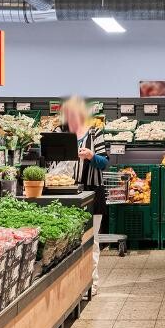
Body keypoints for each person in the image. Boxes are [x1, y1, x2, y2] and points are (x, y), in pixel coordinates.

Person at [57, 96, 108, 294]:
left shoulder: (95, 133)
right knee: (66, 241)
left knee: (92, 240)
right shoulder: (58, 133)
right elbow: (47, 156)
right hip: (64, 192)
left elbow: (104, 162)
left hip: (92, 193)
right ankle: (70, 286)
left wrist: (91, 156)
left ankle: (92, 282)